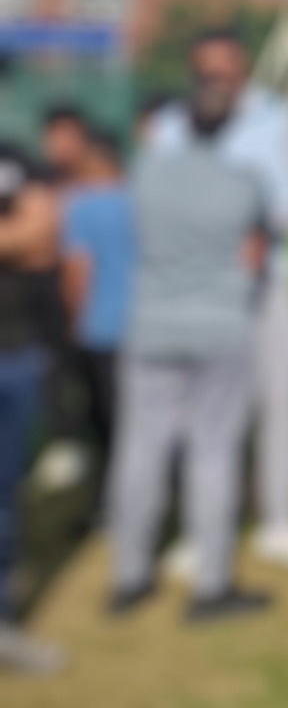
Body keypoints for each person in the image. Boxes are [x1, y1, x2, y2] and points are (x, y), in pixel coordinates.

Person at [148, 29, 288, 573]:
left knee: (280, 406)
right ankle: (202, 530)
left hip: (267, 284)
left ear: (243, 70)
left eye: (226, 72)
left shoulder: (275, 119)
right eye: (207, 73)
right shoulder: (168, 126)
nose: (218, 82)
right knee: (201, 413)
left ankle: (280, 523)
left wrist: (255, 220)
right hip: (194, 287)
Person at [107, 78, 273, 623]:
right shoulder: (243, 182)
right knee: (213, 452)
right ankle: (212, 584)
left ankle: (129, 575)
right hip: (220, 325)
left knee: (141, 450)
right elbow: (254, 259)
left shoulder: (145, 171)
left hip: (152, 322)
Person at [43, 109, 134, 511]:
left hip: (99, 329)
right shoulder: (140, 199)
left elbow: (78, 272)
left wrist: (73, 320)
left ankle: (112, 506)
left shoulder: (81, 205)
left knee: (106, 426)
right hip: (143, 329)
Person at [0, 139, 65, 673]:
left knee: (5, 502)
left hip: (16, 356)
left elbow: (45, 236)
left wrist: (25, 232)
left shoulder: (17, 157)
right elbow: (28, 234)